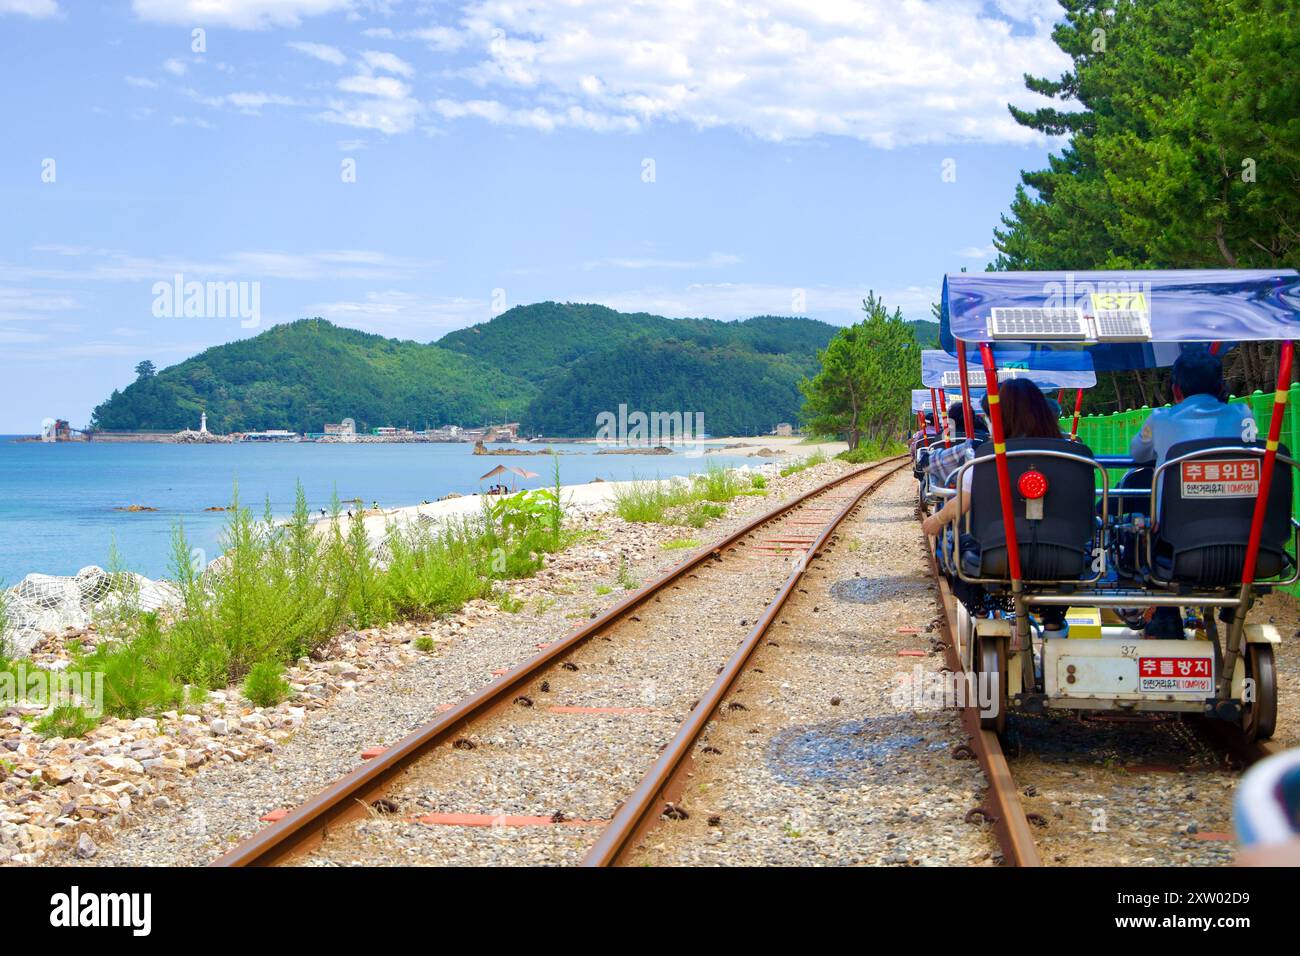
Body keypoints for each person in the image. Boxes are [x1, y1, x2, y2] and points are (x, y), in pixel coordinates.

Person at [1124, 348, 1254, 638]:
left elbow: (1138, 453)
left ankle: (1166, 613)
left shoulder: (1160, 419)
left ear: (1176, 389)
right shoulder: (1244, 415)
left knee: (1138, 524)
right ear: (1222, 387)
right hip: (1243, 535)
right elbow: (1251, 449)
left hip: (1175, 540)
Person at [921, 381, 1062, 538]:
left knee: (952, 542)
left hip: (996, 546)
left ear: (998, 419)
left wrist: (938, 519)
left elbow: (963, 501)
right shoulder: (1073, 456)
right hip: (1068, 546)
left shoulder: (985, 459)